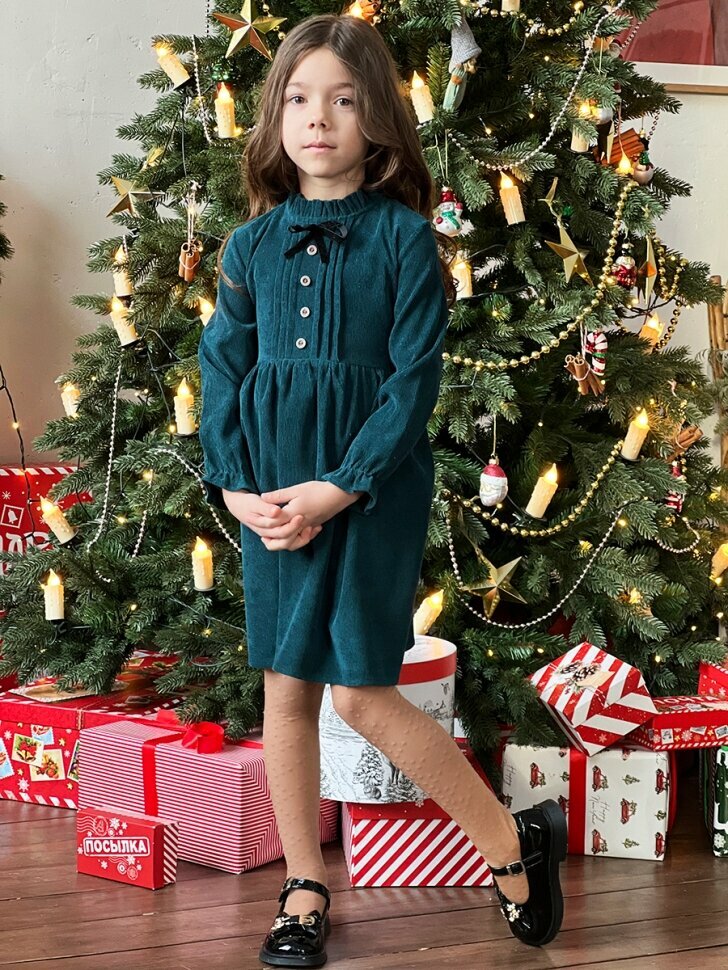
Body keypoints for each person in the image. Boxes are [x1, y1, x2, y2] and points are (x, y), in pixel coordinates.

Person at [197, 13, 567, 968]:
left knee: (360, 696)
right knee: (285, 690)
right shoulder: (249, 248)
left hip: (368, 494)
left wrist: (340, 487)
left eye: (344, 99)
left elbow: (412, 388)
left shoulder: (404, 241)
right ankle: (303, 887)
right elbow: (222, 371)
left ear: (378, 120)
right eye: (299, 98)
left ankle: (508, 842)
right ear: (276, 117)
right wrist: (237, 487)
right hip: (273, 499)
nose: (318, 118)